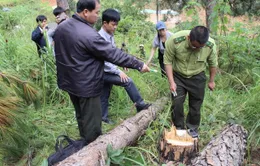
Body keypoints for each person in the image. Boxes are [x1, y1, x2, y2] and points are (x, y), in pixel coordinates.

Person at [53, 0, 150, 144]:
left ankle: (83, 143)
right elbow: (113, 54)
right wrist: (138, 64)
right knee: (93, 124)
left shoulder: (62, 27)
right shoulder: (88, 34)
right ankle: (93, 149)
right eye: (97, 12)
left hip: (69, 82)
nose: (98, 16)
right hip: (86, 85)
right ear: (86, 12)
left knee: (81, 115)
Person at [98, 8, 151, 124]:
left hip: (106, 71)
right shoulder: (100, 38)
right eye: (113, 24)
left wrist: (122, 64)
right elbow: (105, 61)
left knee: (104, 94)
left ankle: (103, 118)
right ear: (105, 23)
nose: (115, 27)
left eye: (116, 25)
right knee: (127, 81)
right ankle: (140, 104)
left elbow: (113, 54)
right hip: (102, 72)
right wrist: (118, 71)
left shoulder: (109, 35)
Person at [164, 26, 218, 138]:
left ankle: (192, 127)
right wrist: (171, 82)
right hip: (178, 76)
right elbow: (168, 61)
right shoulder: (175, 41)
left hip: (197, 76)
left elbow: (213, 64)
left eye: (200, 47)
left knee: (196, 105)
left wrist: (211, 81)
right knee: (177, 102)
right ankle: (179, 128)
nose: (197, 49)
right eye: (194, 46)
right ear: (189, 38)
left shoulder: (210, 45)